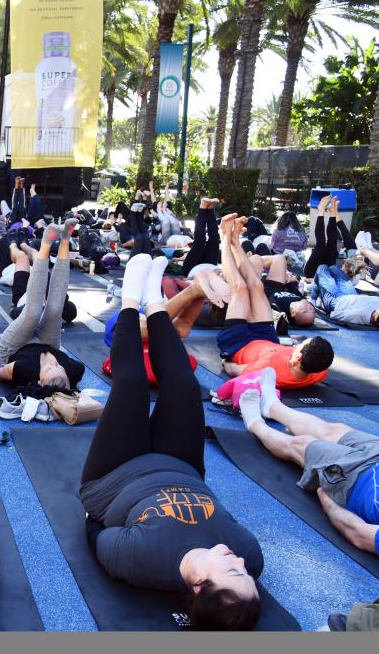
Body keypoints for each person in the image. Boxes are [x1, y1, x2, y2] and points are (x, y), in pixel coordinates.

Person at [81, 252, 264, 631]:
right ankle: (155, 302)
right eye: (246, 574)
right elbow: (231, 531)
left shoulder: (138, 562)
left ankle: (130, 300)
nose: (241, 564)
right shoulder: (250, 555)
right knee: (182, 385)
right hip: (182, 466)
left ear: (198, 586)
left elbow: (95, 530)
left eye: (233, 572)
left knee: (130, 385)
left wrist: (97, 510)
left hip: (116, 478)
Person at [239, 370, 379, 555]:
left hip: (355, 481)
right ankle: (273, 407)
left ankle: (255, 425)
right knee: (333, 430)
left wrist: (330, 506)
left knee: (301, 444)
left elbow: (359, 534)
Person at [217, 214, 333, 389]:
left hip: (238, 343)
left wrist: (227, 362)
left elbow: (233, 369)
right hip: (266, 339)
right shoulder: (319, 370)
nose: (299, 343)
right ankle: (235, 239)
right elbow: (317, 368)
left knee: (240, 288)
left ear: (299, 358)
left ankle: (225, 237)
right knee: (257, 285)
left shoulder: (268, 372)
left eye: (302, 344)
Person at [0, 221, 85, 394]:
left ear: (38, 378)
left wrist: (9, 368)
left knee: (33, 312)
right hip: (48, 342)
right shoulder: (74, 370)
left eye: (50, 368)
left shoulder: (25, 369)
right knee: (55, 308)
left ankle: (45, 244)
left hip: (16, 346)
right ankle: (65, 239)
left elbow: (0, 373)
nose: (54, 363)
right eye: (58, 365)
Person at [250, 253, 316, 328]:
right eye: (313, 312)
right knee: (280, 259)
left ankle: (243, 262)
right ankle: (247, 261)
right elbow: (294, 290)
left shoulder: (279, 310)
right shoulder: (301, 300)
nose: (309, 308)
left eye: (305, 311)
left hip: (259, 291)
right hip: (276, 287)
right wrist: (291, 281)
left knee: (256, 260)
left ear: (293, 313)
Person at [314, 262, 379, 327]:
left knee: (322, 267)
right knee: (334, 268)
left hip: (336, 301)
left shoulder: (363, 315)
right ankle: (318, 291)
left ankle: (314, 296)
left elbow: (334, 315)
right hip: (352, 295)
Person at [305, 195, 355, 279]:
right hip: (327, 272)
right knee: (332, 243)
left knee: (321, 245)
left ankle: (321, 210)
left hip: (312, 272)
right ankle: (332, 213)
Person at [181, 197, 220, 276]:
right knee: (215, 240)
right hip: (210, 266)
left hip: (191, 269)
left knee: (199, 242)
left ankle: (203, 208)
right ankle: (210, 209)